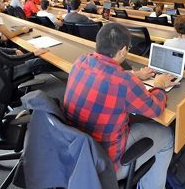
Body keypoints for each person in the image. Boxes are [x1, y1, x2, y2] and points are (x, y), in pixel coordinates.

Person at [62, 22, 174, 189]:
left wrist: (135, 75)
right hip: (106, 165)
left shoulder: (81, 60)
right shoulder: (125, 83)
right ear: (122, 50)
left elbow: (106, 73)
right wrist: (159, 85)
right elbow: (155, 109)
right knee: (166, 135)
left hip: (75, 152)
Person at [0, 6, 54, 80]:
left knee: (31, 56)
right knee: (42, 61)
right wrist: (34, 53)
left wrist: (13, 50)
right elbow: (10, 61)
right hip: (5, 72)